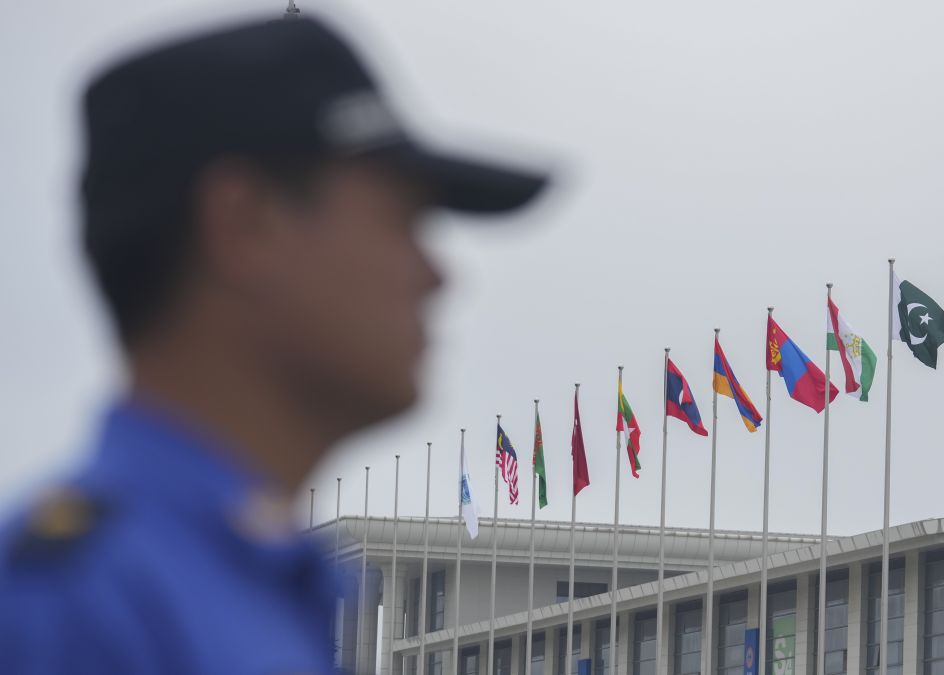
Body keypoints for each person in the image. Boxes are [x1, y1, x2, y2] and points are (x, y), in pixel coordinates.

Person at [0, 14, 548, 675]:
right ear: (245, 223)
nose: (437, 276)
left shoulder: (251, 589)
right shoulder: (70, 607)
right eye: (401, 222)